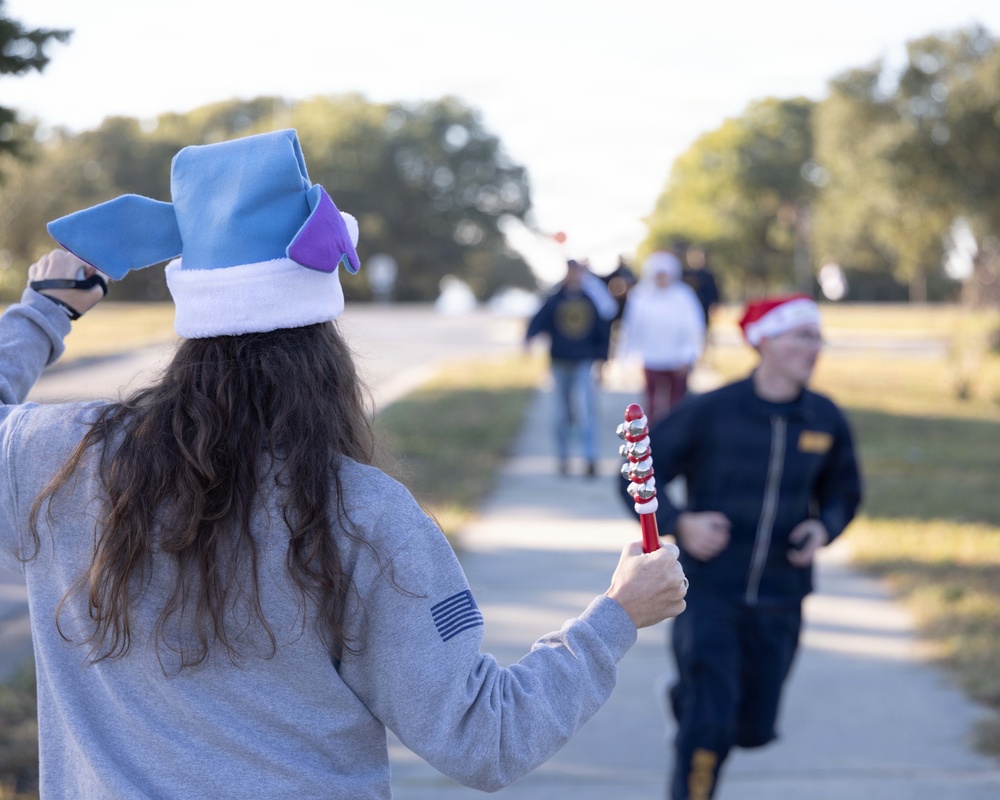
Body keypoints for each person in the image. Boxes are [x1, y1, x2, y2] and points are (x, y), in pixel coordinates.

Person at [0, 129, 689, 799]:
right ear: (325, 346)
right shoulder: (360, 515)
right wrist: (617, 615)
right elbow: (486, 736)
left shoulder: (58, 459)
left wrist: (42, 313)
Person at [620, 293, 862, 800]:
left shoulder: (824, 418)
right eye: (803, 335)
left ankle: (691, 698)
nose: (814, 347)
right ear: (765, 341)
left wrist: (825, 528)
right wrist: (681, 522)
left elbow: (843, 491)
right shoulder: (711, 411)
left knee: (751, 726)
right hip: (711, 597)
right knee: (710, 725)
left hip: (782, 598)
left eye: (817, 337)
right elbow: (640, 477)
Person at [525, 258, 616, 477]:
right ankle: (563, 458)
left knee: (586, 411)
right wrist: (529, 337)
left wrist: (602, 359)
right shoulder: (555, 299)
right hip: (559, 361)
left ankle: (590, 458)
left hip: (583, 362)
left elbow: (603, 328)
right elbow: (540, 319)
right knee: (561, 413)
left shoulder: (591, 299)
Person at [616, 250, 705, 423]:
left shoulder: (684, 296)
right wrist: (626, 358)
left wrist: (689, 355)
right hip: (651, 358)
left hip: (677, 359)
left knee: (678, 405)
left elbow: (694, 328)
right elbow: (630, 328)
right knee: (651, 405)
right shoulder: (640, 296)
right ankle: (653, 442)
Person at [681, 246, 720, 331]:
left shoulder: (707, 275)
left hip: (703, 306)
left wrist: (714, 304)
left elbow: (713, 291)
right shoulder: (683, 274)